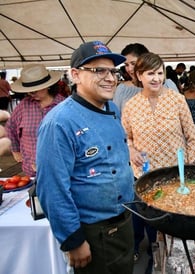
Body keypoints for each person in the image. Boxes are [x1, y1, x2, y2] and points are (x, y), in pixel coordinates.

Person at [36, 41, 135, 274]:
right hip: (93, 233)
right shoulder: (59, 122)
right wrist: (73, 240)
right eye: (99, 70)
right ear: (75, 75)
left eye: (113, 71)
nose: (110, 78)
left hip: (124, 221)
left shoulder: (112, 109)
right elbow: (52, 188)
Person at [121, 52, 195, 270]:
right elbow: (125, 137)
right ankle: (151, 257)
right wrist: (130, 150)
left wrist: (193, 165)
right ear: (139, 75)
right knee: (149, 220)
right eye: (150, 74)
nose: (155, 78)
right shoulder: (131, 106)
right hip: (144, 175)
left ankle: (172, 261)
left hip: (176, 176)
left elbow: (192, 136)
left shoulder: (177, 100)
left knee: (173, 222)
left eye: (159, 73)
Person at [5, 64, 65, 177]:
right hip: (31, 168)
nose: (31, 94)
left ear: (48, 86)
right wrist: (15, 150)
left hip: (60, 168)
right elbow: (10, 127)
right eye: (28, 91)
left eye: (34, 90)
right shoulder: (23, 106)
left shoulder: (64, 106)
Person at [112, 43, 178, 113]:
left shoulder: (168, 85)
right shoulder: (122, 89)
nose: (129, 69)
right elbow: (115, 117)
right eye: (126, 65)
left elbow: (180, 114)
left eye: (133, 64)